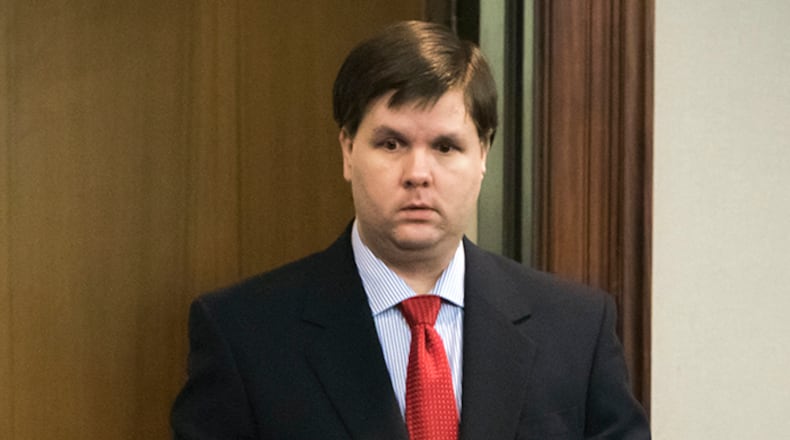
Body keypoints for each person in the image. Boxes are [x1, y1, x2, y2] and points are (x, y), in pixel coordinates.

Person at [171, 20, 650, 440]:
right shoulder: (243, 334)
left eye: (445, 147)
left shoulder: (576, 329)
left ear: (483, 155)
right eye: (391, 143)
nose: (418, 173)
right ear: (347, 150)